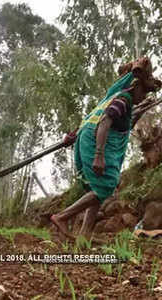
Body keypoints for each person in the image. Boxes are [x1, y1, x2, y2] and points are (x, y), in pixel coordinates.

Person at [51, 57, 162, 240]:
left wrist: (73, 135)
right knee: (107, 185)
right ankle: (62, 217)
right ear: (136, 87)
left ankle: (84, 235)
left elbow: (117, 124)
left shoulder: (114, 99)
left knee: (97, 189)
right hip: (95, 141)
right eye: (143, 93)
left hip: (85, 137)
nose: (143, 98)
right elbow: (105, 122)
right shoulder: (124, 99)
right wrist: (99, 155)